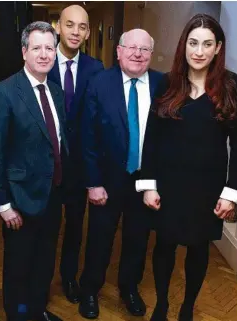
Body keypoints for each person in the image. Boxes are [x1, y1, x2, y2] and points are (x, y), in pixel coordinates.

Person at [138, 14, 237, 321]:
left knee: (199, 250)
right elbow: (152, 138)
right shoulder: (167, 82)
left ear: (218, 48)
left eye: (207, 44)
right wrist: (148, 185)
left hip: (208, 188)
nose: (199, 51)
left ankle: (187, 308)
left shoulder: (231, 85)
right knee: (164, 246)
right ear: (184, 45)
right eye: (193, 42)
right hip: (169, 185)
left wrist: (232, 193)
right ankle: (162, 305)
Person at [0, 21, 67, 321]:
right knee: (18, 266)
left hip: (52, 196)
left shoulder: (55, 92)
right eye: (37, 48)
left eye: (49, 47)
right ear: (24, 52)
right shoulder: (3, 93)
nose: (44, 54)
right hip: (19, 202)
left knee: (44, 263)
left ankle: (36, 311)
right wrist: (3, 205)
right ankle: (17, 316)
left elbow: (57, 141)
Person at [78, 28, 162, 319]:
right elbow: (86, 137)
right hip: (108, 179)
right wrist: (93, 183)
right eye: (131, 47)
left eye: (144, 49)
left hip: (145, 180)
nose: (138, 54)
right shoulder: (99, 83)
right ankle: (89, 290)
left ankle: (129, 288)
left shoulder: (163, 84)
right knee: (100, 238)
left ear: (151, 54)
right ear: (119, 51)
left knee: (138, 239)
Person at [47, 4, 104, 304]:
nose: (75, 32)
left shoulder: (97, 69)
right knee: (46, 228)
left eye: (82, 27)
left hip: (80, 167)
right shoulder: (42, 62)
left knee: (74, 229)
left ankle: (69, 278)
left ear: (88, 32)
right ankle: (39, 284)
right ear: (58, 26)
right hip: (46, 167)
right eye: (70, 25)